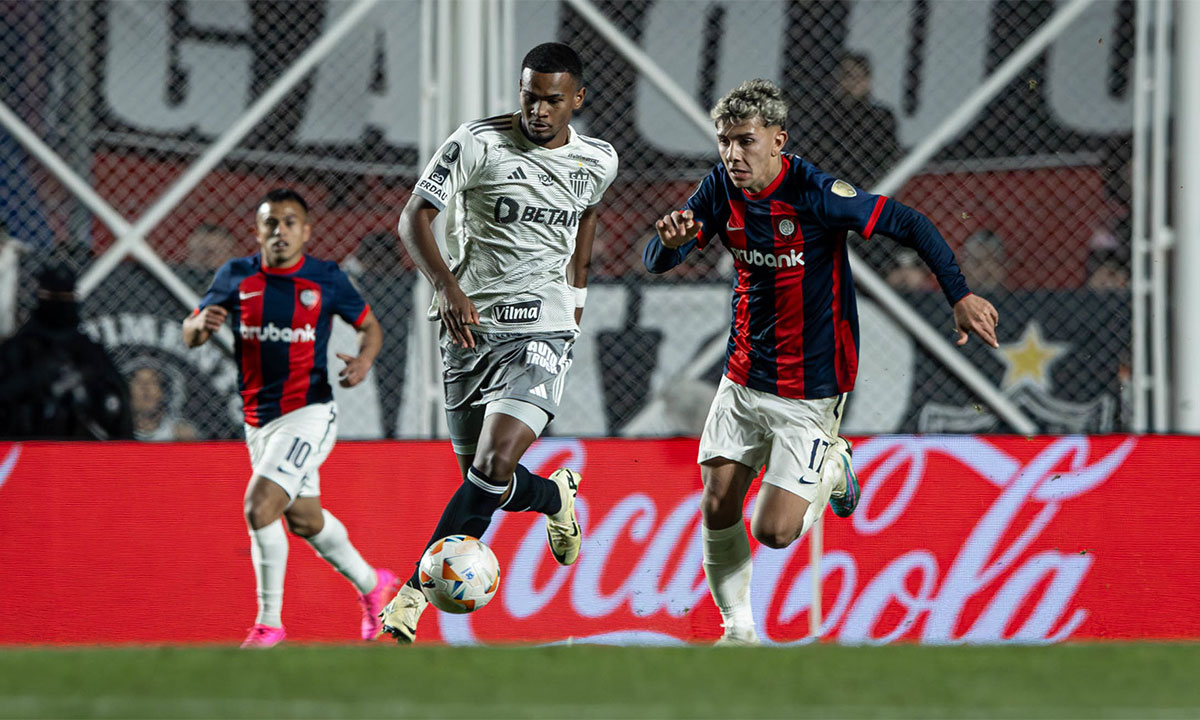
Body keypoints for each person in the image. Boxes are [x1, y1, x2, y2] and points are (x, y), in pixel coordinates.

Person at [643, 79, 999, 645]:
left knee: (775, 530)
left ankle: (833, 464)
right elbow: (660, 258)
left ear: (778, 140)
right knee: (717, 505)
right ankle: (739, 632)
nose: (733, 154)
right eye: (724, 142)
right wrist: (667, 242)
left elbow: (910, 223)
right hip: (742, 374)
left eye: (746, 141)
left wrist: (959, 294)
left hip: (809, 384)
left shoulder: (814, 192)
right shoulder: (719, 188)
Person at [380, 42, 618, 644]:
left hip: (543, 327)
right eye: (530, 97)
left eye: (552, 101)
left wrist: (577, 301)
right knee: (487, 480)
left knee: (490, 464)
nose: (539, 111)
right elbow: (414, 218)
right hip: (469, 328)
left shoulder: (598, 159)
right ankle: (554, 497)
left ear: (577, 100)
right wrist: (448, 288)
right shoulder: (477, 142)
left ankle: (412, 594)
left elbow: (586, 217)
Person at [182, 188, 394, 648]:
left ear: (306, 231)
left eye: (290, 222)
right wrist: (201, 327)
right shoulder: (236, 276)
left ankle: (269, 624)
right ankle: (374, 586)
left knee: (259, 506)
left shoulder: (325, 278)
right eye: (271, 222)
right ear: (257, 231)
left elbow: (370, 326)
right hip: (258, 421)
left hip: (309, 413)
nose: (280, 230)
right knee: (303, 520)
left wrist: (363, 361)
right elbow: (191, 330)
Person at [0, 262, 133, 440]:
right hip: (26, 448)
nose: (60, 303)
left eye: (66, 296)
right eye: (53, 295)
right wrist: (34, 379)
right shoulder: (17, 351)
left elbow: (118, 401)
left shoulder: (89, 352)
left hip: (81, 450)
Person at [124, 357, 199, 441]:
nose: (145, 388)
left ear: (164, 394)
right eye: (138, 382)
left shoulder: (179, 434)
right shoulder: (115, 431)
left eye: (153, 382)